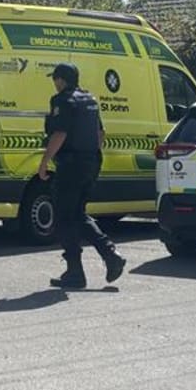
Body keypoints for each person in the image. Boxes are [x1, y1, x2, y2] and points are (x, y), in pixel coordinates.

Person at [38, 62, 126, 288]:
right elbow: (100, 133)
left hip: (71, 166)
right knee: (77, 214)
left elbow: (59, 133)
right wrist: (88, 156)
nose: (54, 83)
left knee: (64, 217)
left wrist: (45, 162)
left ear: (61, 80)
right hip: (90, 163)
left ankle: (76, 272)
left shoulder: (62, 100)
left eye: (54, 79)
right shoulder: (90, 100)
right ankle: (109, 255)